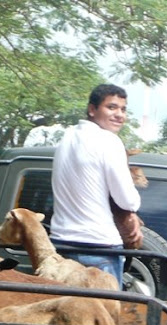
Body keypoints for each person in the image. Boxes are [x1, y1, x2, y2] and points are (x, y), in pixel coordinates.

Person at [50, 84, 143, 287]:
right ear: (92, 110)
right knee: (102, 317)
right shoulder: (109, 141)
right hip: (99, 249)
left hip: (60, 244)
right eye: (112, 107)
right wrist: (133, 210)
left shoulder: (67, 137)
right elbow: (127, 199)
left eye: (123, 109)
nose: (119, 115)